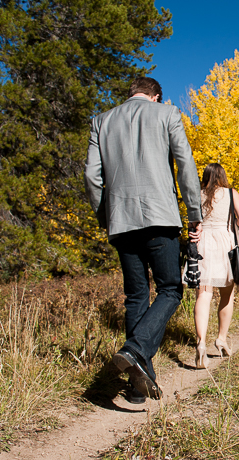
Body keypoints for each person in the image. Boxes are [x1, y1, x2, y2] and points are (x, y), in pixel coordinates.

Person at [84, 77, 202, 402]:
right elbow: (185, 165)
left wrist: (105, 218)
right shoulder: (167, 114)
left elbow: (92, 177)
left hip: (121, 222)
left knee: (136, 296)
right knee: (170, 289)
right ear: (156, 96)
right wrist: (194, 214)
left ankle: (137, 386)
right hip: (160, 218)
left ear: (131, 94)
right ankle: (136, 349)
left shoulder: (101, 122)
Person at [188, 163, 239, 369]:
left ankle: (201, 344)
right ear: (222, 175)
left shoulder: (198, 194)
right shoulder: (231, 193)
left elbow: (192, 223)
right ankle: (221, 339)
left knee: (203, 295)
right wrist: (234, 227)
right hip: (225, 242)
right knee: (226, 294)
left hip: (203, 243)